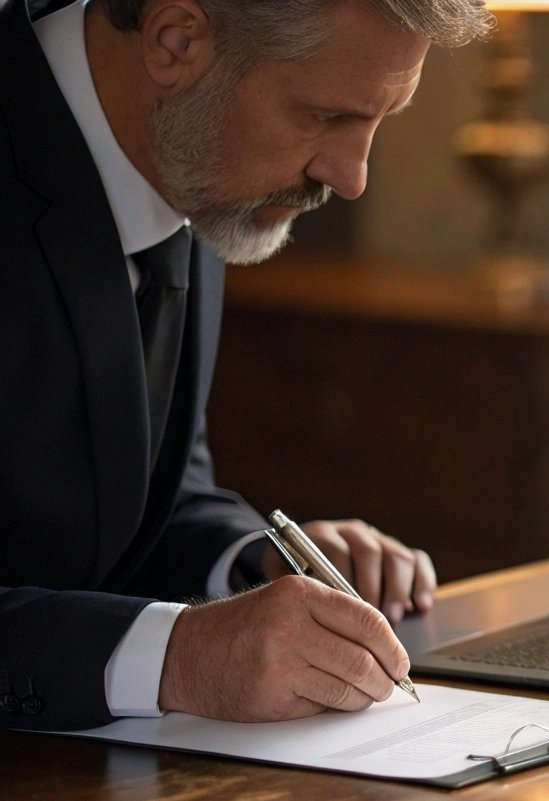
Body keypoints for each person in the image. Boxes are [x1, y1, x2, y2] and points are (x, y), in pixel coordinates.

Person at [0, 0, 490, 730]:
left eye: (377, 120)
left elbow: (143, 500)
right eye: (325, 117)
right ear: (176, 41)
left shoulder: (193, 154)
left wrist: (260, 560)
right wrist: (179, 658)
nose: (351, 176)